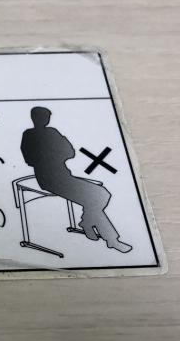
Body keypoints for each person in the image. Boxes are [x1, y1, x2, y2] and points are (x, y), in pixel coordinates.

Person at [20, 107, 132, 253]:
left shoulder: (52, 132)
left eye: (47, 117)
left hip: (64, 176)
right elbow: (30, 159)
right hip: (49, 179)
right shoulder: (28, 135)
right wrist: (53, 155)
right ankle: (112, 240)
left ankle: (87, 222)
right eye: (43, 117)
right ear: (34, 118)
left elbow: (70, 151)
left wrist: (52, 155)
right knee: (94, 198)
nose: (45, 120)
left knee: (102, 194)